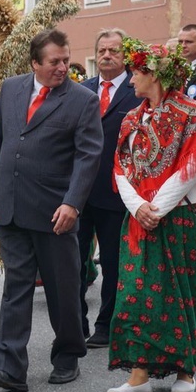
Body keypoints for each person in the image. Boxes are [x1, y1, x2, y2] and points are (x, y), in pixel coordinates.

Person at [0, 28, 103, 392]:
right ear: (35, 63)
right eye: (55, 62)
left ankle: (67, 355)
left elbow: (88, 156)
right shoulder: (11, 89)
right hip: (12, 208)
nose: (63, 67)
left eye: (66, 60)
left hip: (56, 214)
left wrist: (72, 203)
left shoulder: (82, 100)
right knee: (15, 290)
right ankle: (9, 369)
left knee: (63, 290)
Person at [106, 38, 196, 392]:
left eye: (136, 72)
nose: (131, 79)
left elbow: (192, 167)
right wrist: (138, 207)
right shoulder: (132, 118)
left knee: (178, 294)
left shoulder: (193, 112)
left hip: (176, 218)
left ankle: (185, 372)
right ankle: (139, 376)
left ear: (156, 73)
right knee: (134, 293)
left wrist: (157, 208)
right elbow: (121, 167)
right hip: (138, 219)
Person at [78, 29, 141, 348]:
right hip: (79, 193)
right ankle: (77, 322)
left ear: (125, 55)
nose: (106, 56)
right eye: (101, 50)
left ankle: (107, 324)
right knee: (74, 262)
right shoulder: (81, 90)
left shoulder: (137, 90)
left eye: (113, 51)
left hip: (117, 195)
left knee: (114, 264)